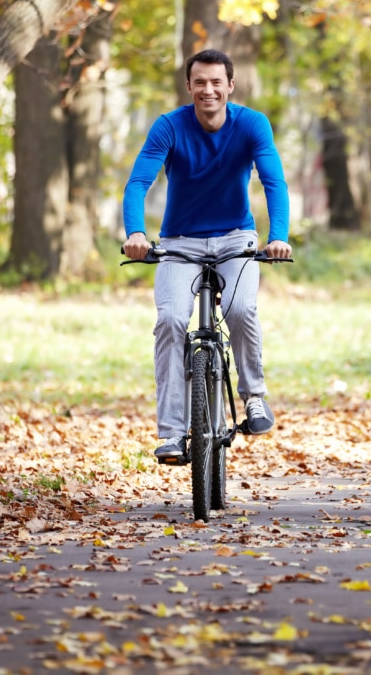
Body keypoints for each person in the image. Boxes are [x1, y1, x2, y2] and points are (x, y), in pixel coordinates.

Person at [122, 48, 292, 461]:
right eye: (200, 82)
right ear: (189, 86)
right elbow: (137, 183)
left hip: (236, 239)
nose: (208, 90)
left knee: (240, 310)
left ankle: (253, 396)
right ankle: (172, 433)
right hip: (179, 243)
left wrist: (278, 236)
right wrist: (136, 232)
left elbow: (274, 183)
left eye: (217, 82)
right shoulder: (169, 127)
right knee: (170, 320)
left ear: (230, 86)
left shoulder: (252, 124)